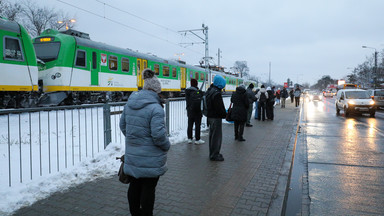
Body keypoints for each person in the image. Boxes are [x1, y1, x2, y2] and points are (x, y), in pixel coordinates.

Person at [119, 68, 170, 216]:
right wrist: (167, 146)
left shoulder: (130, 104)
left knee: (134, 185)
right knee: (148, 188)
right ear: (156, 91)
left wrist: (134, 139)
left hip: (133, 156)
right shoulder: (156, 109)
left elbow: (122, 126)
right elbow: (159, 136)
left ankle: (135, 213)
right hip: (151, 158)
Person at [205, 75, 227, 161]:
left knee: (212, 136)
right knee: (216, 137)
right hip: (216, 118)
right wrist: (224, 114)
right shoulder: (216, 93)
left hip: (210, 117)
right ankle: (215, 154)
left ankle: (212, 153)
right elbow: (219, 107)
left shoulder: (209, 91)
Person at [185, 78, 204, 144]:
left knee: (190, 125)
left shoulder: (187, 91)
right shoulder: (199, 91)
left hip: (190, 111)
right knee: (197, 125)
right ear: (196, 84)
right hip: (198, 111)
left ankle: (189, 138)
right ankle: (197, 139)